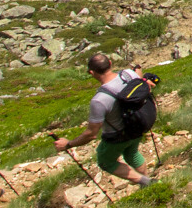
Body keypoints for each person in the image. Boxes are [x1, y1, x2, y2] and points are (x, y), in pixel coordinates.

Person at [53, 53, 156, 187]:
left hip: (118, 136)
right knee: (131, 152)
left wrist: (68, 144)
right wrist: (138, 70)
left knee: (105, 162)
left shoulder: (99, 100)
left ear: (92, 72)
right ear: (110, 63)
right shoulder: (129, 74)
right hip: (139, 124)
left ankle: (145, 182)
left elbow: (91, 133)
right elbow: (139, 77)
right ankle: (146, 182)